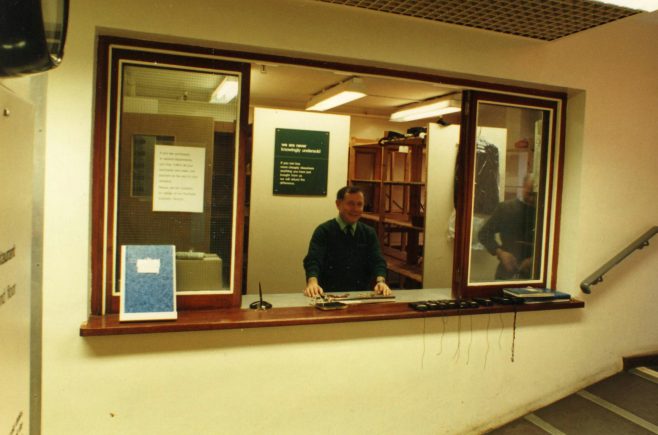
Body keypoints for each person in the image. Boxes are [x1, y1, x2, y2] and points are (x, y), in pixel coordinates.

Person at [303, 186, 391, 298]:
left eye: (359, 204)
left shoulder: (369, 233)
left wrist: (381, 281)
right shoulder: (323, 231)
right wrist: (312, 282)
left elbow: (378, 261)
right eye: (350, 203)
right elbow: (313, 260)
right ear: (338, 204)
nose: (355, 209)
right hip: (329, 296)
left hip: (361, 297)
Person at [478, 174, 537, 280]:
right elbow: (484, 234)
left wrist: (534, 260)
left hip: (534, 276)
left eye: (536, 195)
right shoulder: (506, 209)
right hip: (506, 273)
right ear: (523, 187)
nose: (532, 199)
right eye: (530, 194)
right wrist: (500, 253)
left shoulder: (544, 213)